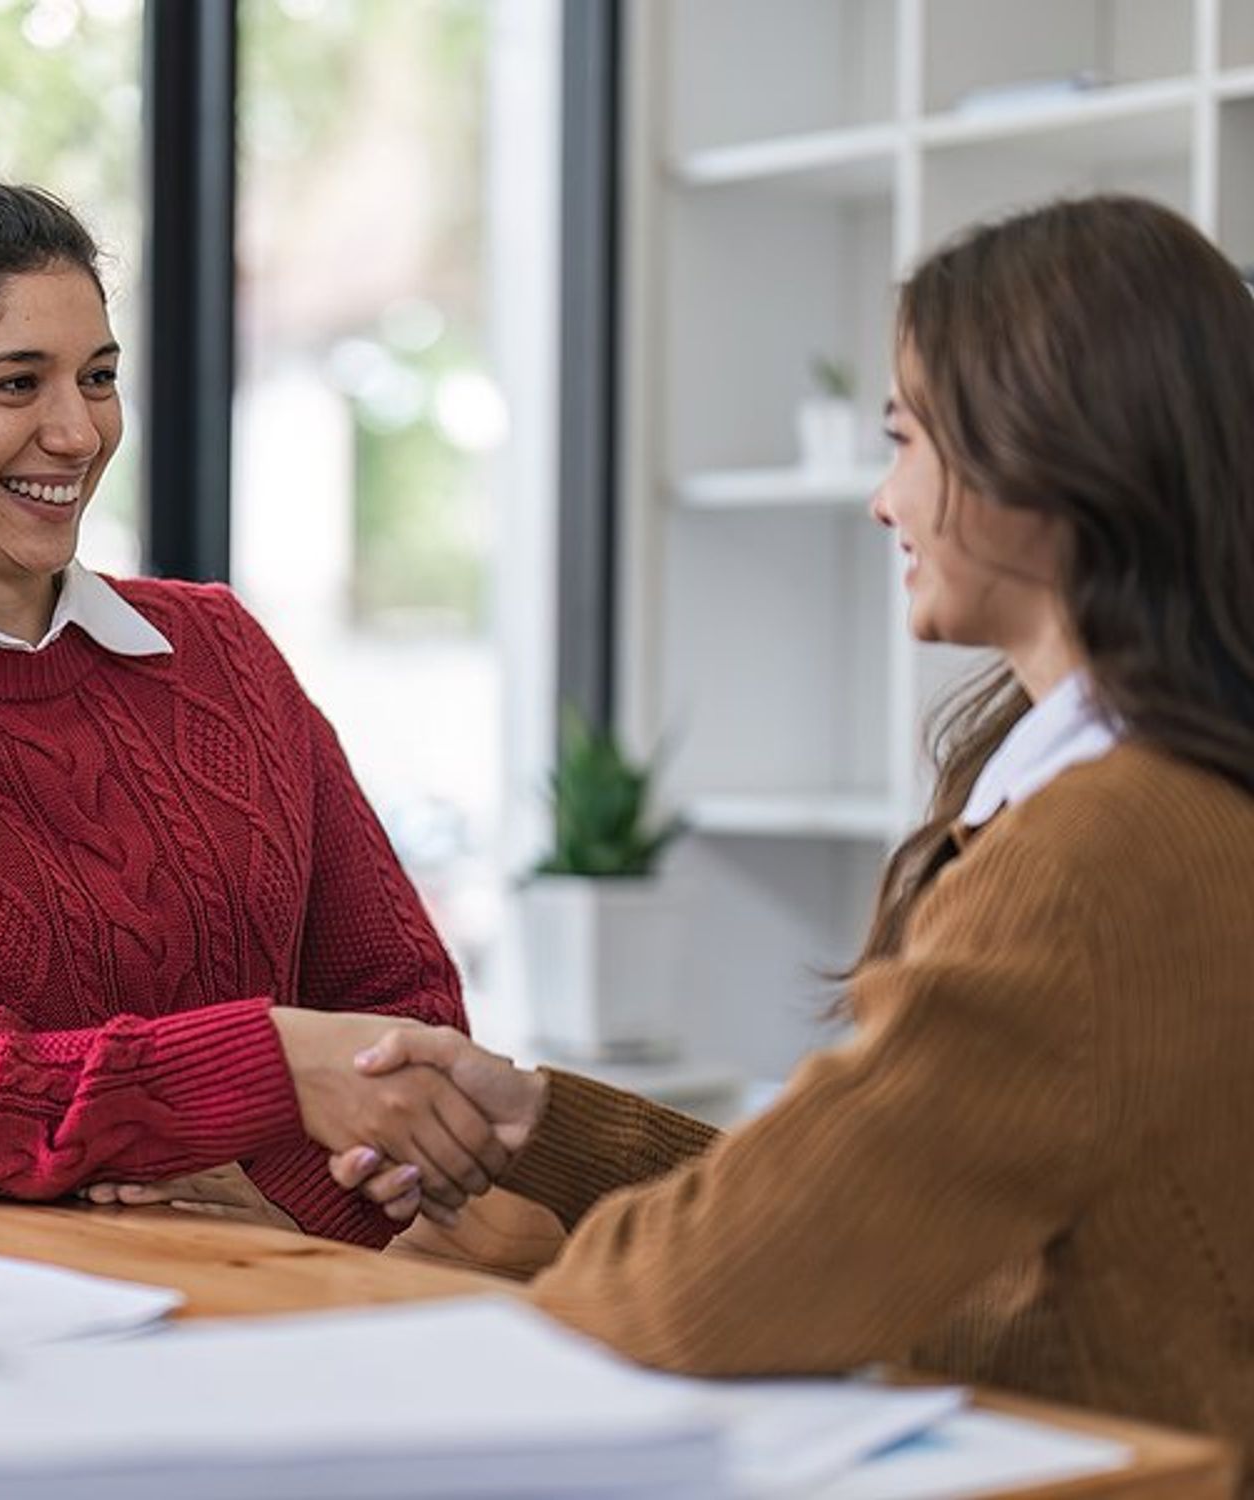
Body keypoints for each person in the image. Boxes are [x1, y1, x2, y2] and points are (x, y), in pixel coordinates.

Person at [321, 195, 1254, 1451]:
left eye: (903, 439)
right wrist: (541, 1134)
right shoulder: (1167, 801)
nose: (882, 501)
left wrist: (518, 1304)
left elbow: (720, 1287)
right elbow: (877, 1206)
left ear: (1043, 456)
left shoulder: (1095, 855)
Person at [0, 174, 505, 1247]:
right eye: (15, 384)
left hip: (311, 1285)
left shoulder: (218, 647)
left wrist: (262, 1187)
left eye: (97, 376)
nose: (76, 432)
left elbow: (404, 1008)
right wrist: (271, 1073)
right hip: (4, 1326)